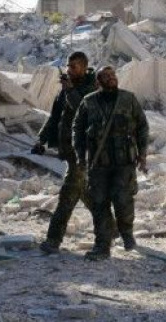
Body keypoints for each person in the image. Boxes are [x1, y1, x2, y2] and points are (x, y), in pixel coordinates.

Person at [33, 51, 114, 254]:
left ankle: (53, 240)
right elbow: (54, 117)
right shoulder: (67, 89)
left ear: (84, 68)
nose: (69, 70)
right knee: (86, 193)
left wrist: (69, 90)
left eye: (74, 67)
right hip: (69, 150)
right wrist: (41, 140)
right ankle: (112, 228)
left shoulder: (93, 88)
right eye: (68, 66)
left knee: (68, 194)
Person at [73, 66, 149, 261]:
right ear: (98, 81)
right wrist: (80, 156)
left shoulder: (128, 99)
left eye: (113, 75)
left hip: (124, 162)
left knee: (123, 201)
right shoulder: (88, 102)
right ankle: (102, 245)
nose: (111, 78)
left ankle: (127, 234)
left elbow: (142, 126)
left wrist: (142, 154)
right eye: (106, 76)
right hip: (98, 163)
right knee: (99, 204)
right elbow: (78, 129)